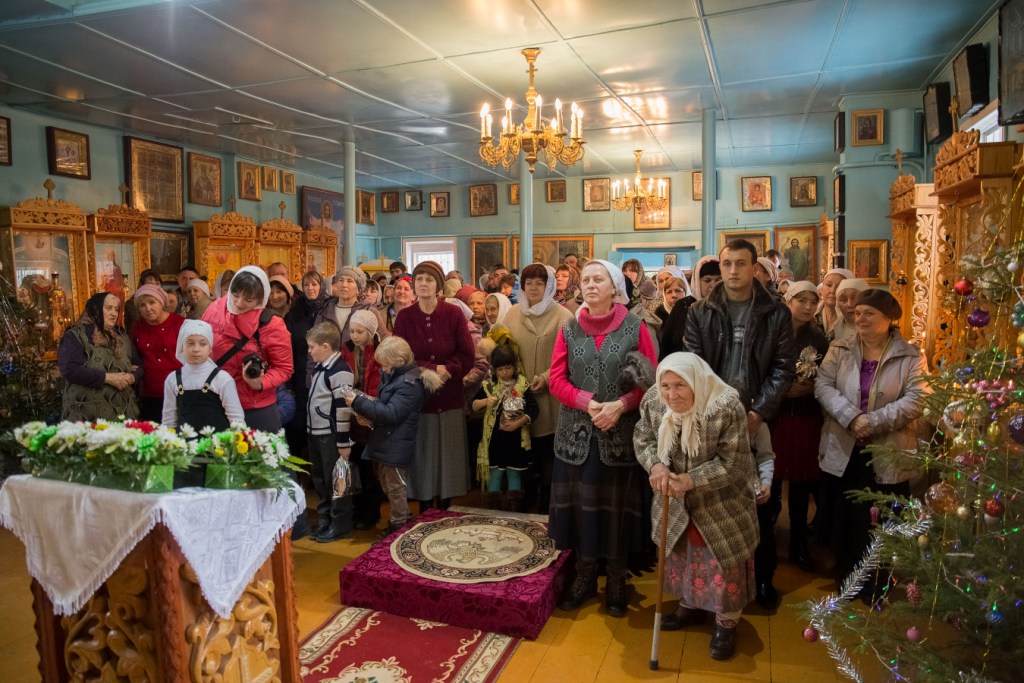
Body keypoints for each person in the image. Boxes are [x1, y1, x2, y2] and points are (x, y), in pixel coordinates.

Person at [683, 239, 795, 610]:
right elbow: (694, 366)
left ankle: (762, 579)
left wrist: (759, 412)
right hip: (712, 418)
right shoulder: (701, 311)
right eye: (727, 263)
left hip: (755, 417)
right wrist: (715, 416)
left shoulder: (775, 313)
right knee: (711, 501)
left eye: (740, 264)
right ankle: (707, 591)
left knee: (758, 502)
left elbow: (782, 369)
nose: (732, 271)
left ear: (753, 268)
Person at [633, 352, 760, 661]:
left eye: (680, 386)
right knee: (684, 556)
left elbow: (735, 464)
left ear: (696, 382)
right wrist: (656, 468)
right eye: (666, 385)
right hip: (675, 501)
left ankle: (726, 623)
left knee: (721, 563)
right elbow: (644, 438)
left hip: (721, 504)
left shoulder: (724, 407)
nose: (671, 395)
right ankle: (690, 605)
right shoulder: (654, 401)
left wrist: (690, 480)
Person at [549, 259, 657, 618]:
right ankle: (583, 575)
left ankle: (615, 577)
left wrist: (621, 406)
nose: (591, 285)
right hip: (576, 436)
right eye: (586, 280)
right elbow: (556, 379)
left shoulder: (634, 326)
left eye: (600, 279)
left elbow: (648, 382)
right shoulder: (568, 328)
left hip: (619, 435)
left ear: (615, 288)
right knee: (581, 510)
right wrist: (587, 402)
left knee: (615, 514)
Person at [815, 289, 924, 602]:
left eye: (868, 313)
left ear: (889, 319)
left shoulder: (910, 355)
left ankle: (879, 580)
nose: (858, 317)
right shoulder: (841, 347)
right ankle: (848, 577)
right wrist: (851, 417)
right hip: (846, 445)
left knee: (883, 516)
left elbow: (915, 399)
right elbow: (823, 386)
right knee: (847, 515)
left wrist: (872, 422)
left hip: (887, 447)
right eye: (857, 312)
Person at [393, 260, 475, 510]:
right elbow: (399, 356)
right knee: (424, 456)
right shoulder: (405, 317)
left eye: (429, 280)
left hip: (449, 397)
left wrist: (447, 370)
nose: (423, 284)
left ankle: (446, 507)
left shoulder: (453, 314)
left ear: (438, 286)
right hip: (419, 400)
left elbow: (467, 354)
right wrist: (429, 369)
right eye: (419, 280)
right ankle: (425, 508)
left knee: (448, 456)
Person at [499, 263, 575, 512]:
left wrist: (546, 377)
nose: (533, 288)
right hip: (517, 394)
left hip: (550, 395)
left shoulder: (563, 316)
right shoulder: (512, 314)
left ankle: (548, 508)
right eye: (528, 283)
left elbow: (570, 357)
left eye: (539, 283)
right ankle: (523, 503)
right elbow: (502, 351)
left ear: (549, 286)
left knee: (546, 454)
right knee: (520, 451)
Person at [345, 336, 438, 535]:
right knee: (388, 485)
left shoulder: (409, 384)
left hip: (396, 443)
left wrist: (357, 402)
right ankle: (402, 519)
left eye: (386, 364)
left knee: (395, 488)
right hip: (388, 440)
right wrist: (367, 414)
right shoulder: (396, 377)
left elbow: (391, 414)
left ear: (399, 361)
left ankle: (398, 526)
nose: (383, 368)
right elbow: (385, 406)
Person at [769, 281, 829, 573]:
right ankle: (768, 541)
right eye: (801, 300)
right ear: (788, 301)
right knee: (772, 477)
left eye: (812, 302)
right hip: (776, 416)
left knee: (801, 483)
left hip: (805, 416)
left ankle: (798, 541)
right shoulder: (773, 333)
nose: (807, 307)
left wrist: (811, 387)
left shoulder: (818, 338)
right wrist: (782, 390)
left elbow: (829, 375)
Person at [202, 266, 294, 431]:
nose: (239, 303)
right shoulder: (214, 310)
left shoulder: (271, 323)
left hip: (255, 406)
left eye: (248, 300)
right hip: (216, 401)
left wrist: (260, 383)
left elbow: (285, 368)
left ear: (261, 298)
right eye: (235, 295)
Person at [473, 338, 539, 511]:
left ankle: (514, 509)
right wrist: (485, 402)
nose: (504, 373)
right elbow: (472, 404)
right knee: (495, 474)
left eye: (508, 368)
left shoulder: (523, 385)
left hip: (516, 440)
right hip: (495, 441)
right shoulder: (488, 385)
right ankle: (493, 509)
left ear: (515, 367)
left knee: (514, 473)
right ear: (494, 369)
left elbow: (534, 409)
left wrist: (518, 423)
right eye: (500, 369)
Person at [305, 322, 354, 542]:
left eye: (312, 347)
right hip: (315, 433)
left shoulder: (340, 370)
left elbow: (343, 409)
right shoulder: (321, 367)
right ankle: (325, 520)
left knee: (336, 481)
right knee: (321, 480)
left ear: (325, 346)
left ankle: (340, 523)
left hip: (331, 435)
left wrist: (343, 442)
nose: (309, 351)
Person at [58, 292, 140, 421]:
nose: (114, 313)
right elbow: (70, 369)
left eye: (116, 309)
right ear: (95, 309)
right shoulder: (75, 335)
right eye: (108, 308)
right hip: (87, 416)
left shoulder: (122, 336)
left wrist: (131, 377)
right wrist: (107, 378)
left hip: (123, 413)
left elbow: (139, 364)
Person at [342, 309, 385, 531]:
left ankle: (371, 512)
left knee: (370, 467)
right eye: (352, 331)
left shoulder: (378, 351)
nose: (355, 336)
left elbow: (378, 384)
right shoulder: (347, 349)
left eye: (360, 331)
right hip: (350, 413)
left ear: (371, 331)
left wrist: (366, 404)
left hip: (370, 412)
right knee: (355, 464)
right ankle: (357, 510)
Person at [131, 284, 185, 422]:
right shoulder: (138, 328)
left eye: (152, 302)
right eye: (142, 305)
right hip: (150, 394)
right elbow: (133, 355)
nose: (148, 308)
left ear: (161, 302)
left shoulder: (180, 324)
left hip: (180, 391)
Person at [659, 256, 718, 360]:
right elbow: (666, 345)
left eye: (718, 280)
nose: (713, 285)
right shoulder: (683, 306)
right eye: (707, 280)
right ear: (697, 281)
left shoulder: (728, 307)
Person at [816, 267, 854, 337]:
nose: (832, 291)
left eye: (839, 286)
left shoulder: (853, 319)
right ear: (822, 288)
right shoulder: (811, 316)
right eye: (829, 285)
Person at [123, 269, 162, 333]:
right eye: (151, 284)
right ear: (142, 286)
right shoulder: (132, 304)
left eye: (157, 284)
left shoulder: (163, 301)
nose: (155, 287)